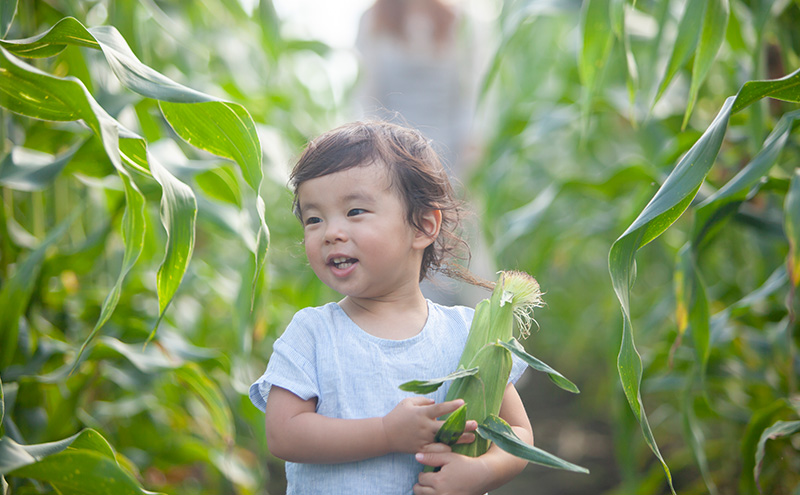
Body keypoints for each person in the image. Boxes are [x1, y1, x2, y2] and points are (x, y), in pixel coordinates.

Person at [249, 121, 533, 494]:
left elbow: (518, 434)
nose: (330, 231)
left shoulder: (467, 335)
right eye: (314, 219)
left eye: (354, 212)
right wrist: (385, 432)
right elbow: (283, 434)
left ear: (422, 226)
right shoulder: (313, 333)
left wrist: (482, 473)